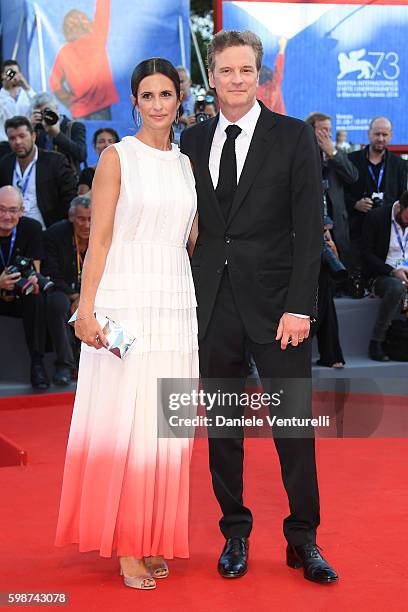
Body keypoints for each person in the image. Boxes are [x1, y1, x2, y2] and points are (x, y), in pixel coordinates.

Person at [180, 29, 338, 584]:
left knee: (293, 428)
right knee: (223, 429)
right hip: (212, 308)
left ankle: (304, 540)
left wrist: (300, 308)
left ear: (259, 74)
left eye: (245, 70)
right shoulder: (192, 141)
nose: (236, 80)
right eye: (225, 71)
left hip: (278, 312)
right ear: (213, 77)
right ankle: (235, 534)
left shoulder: (293, 137)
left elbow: (307, 231)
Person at [55, 58, 198, 590]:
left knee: (166, 418)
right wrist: (86, 309)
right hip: (126, 297)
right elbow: (100, 239)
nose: (158, 104)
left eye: (166, 94)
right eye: (147, 95)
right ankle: (128, 545)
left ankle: (154, 532)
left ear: (178, 99)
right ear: (134, 102)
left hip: (175, 297)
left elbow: (191, 237)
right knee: (130, 417)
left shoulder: (185, 165)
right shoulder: (117, 157)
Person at [0, 185, 48, 389]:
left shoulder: (32, 228)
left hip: (21, 294)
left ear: (22, 210)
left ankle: (37, 364)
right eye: (1, 209)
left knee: (36, 297)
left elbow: (35, 269)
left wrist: (33, 281)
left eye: (12, 210)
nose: (6, 215)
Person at [345, 116, 408, 269]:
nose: (380, 138)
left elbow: (402, 196)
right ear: (369, 134)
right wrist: (355, 203)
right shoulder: (351, 160)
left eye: (384, 135)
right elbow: (339, 193)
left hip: (386, 229)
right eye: (377, 134)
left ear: (391, 135)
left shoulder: (399, 164)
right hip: (356, 227)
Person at [43, 195, 92, 385]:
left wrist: (84, 298)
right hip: (63, 291)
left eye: (90, 219)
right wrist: (75, 296)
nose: (87, 225)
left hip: (93, 293)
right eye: (81, 219)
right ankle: (64, 365)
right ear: (72, 217)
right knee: (57, 303)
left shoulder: (103, 234)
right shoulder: (55, 234)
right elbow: (51, 273)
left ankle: (104, 365)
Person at [0, 116, 77, 229]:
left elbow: (70, 198)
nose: (17, 142)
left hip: (47, 232)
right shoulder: (5, 164)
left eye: (22, 136)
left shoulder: (55, 162)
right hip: (14, 234)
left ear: (33, 136)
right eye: (12, 138)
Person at [49, 0, 119, 120]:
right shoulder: (97, 39)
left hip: (79, 109)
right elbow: (102, 14)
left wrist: (69, 102)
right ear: (86, 23)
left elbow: (54, 84)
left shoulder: (64, 52)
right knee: (103, 137)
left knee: (80, 138)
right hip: (101, 106)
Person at [305, 112, 358, 266]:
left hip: (338, 226)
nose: (327, 134)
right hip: (313, 224)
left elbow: (353, 177)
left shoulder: (337, 154)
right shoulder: (302, 153)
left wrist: (332, 154)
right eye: (322, 130)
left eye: (329, 130)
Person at [361, 191, 408, 361]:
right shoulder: (377, 217)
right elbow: (366, 253)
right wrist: (392, 271)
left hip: (405, 271)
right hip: (382, 274)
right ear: (400, 206)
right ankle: (377, 341)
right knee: (396, 287)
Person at [30, 92, 87, 175]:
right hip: (43, 178)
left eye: (47, 110)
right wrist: (30, 129)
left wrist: (57, 134)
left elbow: (81, 155)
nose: (45, 115)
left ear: (57, 108)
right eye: (40, 113)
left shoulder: (74, 126)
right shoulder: (37, 129)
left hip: (68, 178)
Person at [0, 60, 36, 158]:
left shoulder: (27, 93)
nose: (12, 75)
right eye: (9, 72)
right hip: (5, 145)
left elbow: (41, 105)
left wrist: (26, 86)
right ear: (2, 75)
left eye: (15, 73)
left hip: (28, 144)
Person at [77, 127, 120, 194]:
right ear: (95, 146)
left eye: (111, 141)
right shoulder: (88, 173)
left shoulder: (125, 171)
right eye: (101, 141)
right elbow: (81, 201)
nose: (106, 145)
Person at [256, 37, 287, 114]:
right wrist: (282, 48)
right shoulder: (275, 83)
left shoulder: (255, 92)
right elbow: (279, 68)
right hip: (282, 122)